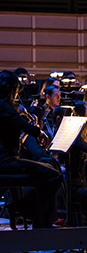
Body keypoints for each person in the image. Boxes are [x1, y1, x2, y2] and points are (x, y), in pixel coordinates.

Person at [0, 70, 62, 228]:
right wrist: (38, 130)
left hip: (7, 160)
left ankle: (39, 218)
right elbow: (28, 128)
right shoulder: (4, 106)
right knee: (54, 176)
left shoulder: (4, 106)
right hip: (6, 162)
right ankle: (25, 209)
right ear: (11, 89)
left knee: (48, 169)